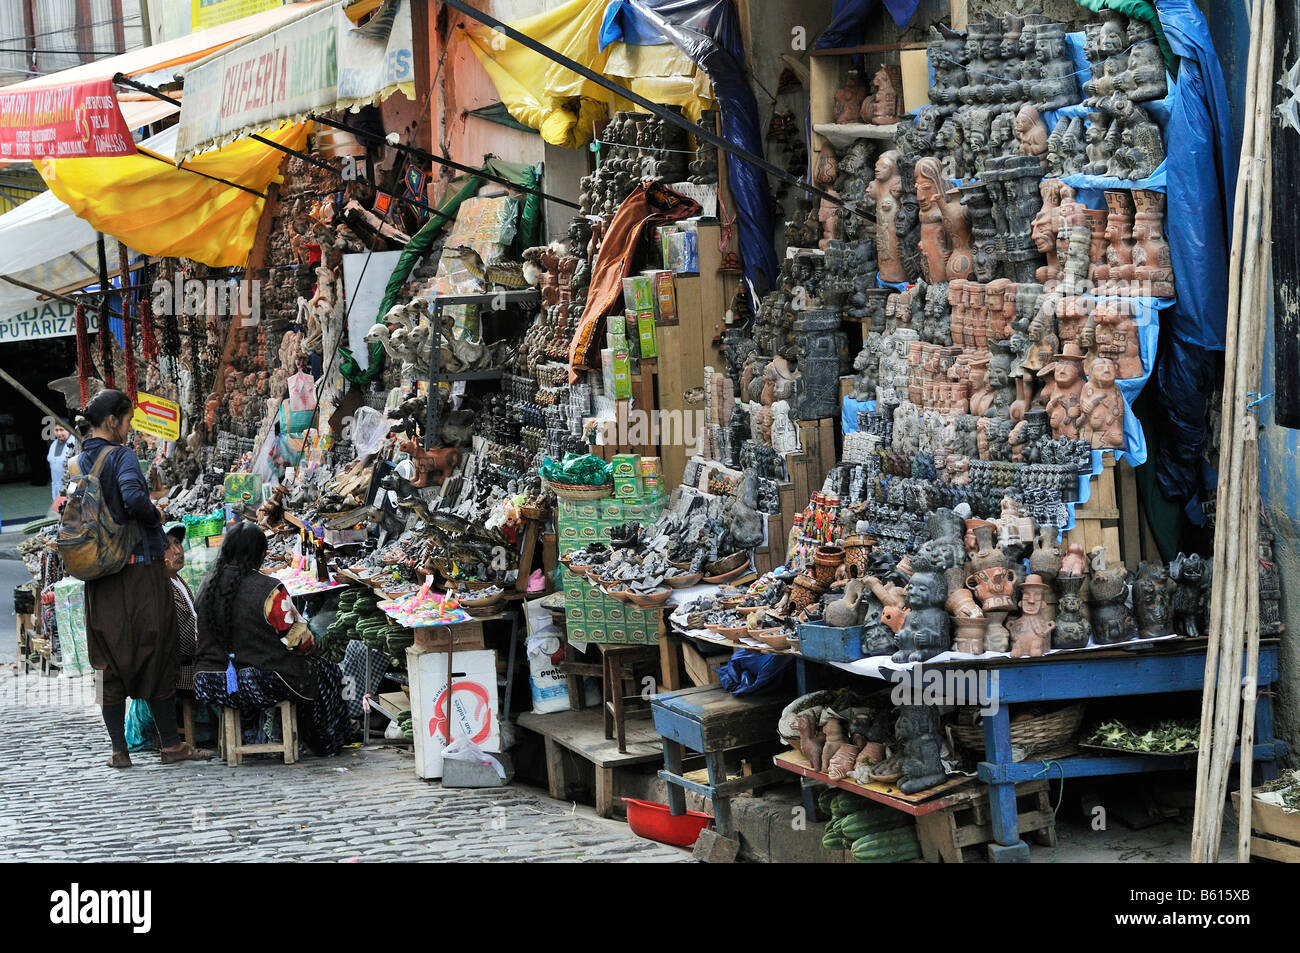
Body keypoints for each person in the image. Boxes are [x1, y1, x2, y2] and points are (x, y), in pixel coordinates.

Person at [73, 389, 213, 767]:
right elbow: (135, 500)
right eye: (128, 420)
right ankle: (171, 744)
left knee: (107, 658)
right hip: (137, 572)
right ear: (114, 421)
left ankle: (119, 750)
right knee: (157, 648)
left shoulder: (78, 461)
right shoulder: (122, 456)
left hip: (98, 576)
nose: (129, 427)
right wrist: (156, 517)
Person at [193, 521, 348, 757]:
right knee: (326, 671)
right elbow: (299, 642)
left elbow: (199, 636)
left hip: (211, 681)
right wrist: (311, 646)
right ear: (260, 554)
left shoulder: (206, 585)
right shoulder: (269, 589)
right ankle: (324, 740)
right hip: (261, 681)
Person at [163, 522, 198, 694]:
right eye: (167, 547)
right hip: (182, 676)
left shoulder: (176, 579)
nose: (177, 551)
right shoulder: (164, 587)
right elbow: (187, 641)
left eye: (177, 542)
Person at [46, 421, 76, 515]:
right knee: (59, 515)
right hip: (56, 487)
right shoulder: (54, 444)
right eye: (56, 430)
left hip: (69, 488)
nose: (59, 433)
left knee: (61, 515)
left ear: (69, 430)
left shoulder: (75, 443)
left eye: (62, 430)